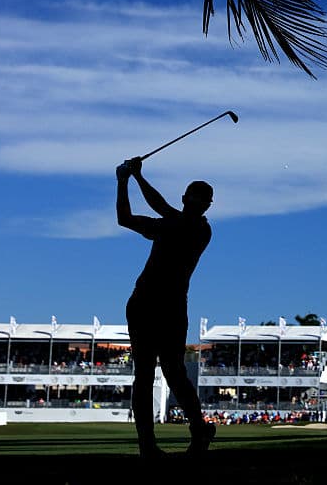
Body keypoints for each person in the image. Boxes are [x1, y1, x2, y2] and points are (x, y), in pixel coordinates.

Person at [117, 156, 217, 458]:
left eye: (203, 201)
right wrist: (124, 182)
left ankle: (198, 429)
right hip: (143, 302)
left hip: (170, 306)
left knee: (173, 371)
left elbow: (160, 207)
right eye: (195, 199)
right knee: (144, 374)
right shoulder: (167, 225)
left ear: (206, 207)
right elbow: (125, 218)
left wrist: (134, 176)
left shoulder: (199, 230)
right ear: (186, 199)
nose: (198, 204)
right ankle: (147, 444)